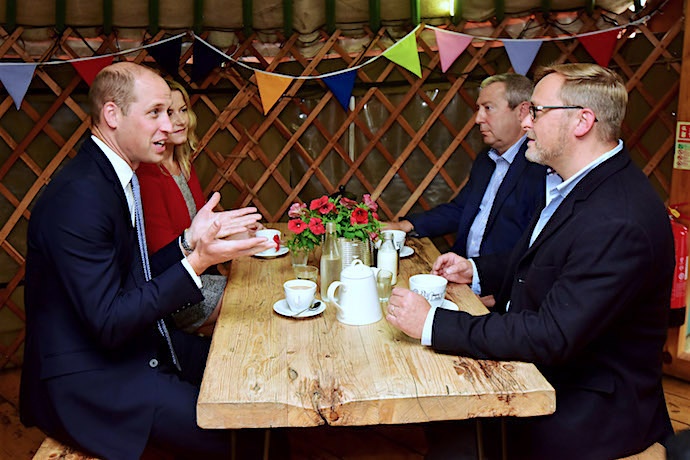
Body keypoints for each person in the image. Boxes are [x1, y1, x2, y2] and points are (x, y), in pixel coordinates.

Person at [386, 63, 674, 459]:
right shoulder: (569, 183)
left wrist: (432, 322)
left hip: (585, 411)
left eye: (536, 111)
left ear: (582, 121)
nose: (526, 123)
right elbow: (552, 261)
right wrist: (479, 271)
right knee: (445, 427)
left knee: (454, 437)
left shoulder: (617, 217)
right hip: (545, 375)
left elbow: (552, 335)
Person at [20, 62, 275, 459]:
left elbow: (132, 275)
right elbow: (108, 321)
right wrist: (198, 263)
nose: (169, 124)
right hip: (92, 378)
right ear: (112, 115)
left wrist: (188, 241)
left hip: (138, 345)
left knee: (255, 375)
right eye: (155, 112)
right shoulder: (81, 197)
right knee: (235, 435)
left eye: (171, 112)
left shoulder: (114, 174)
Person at [385, 73, 548, 259]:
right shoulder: (486, 161)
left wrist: (477, 271)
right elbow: (461, 209)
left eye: (488, 108)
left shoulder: (540, 168)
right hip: (464, 271)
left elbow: (533, 246)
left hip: (500, 282)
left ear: (523, 111)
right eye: (478, 108)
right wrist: (406, 225)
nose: (478, 118)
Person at [138, 80, 225, 336]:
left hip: (199, 274)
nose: (179, 121)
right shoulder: (147, 174)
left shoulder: (183, 163)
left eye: (183, 110)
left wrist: (237, 230)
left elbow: (202, 220)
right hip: (177, 289)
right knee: (249, 303)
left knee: (255, 290)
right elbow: (166, 253)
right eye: (168, 112)